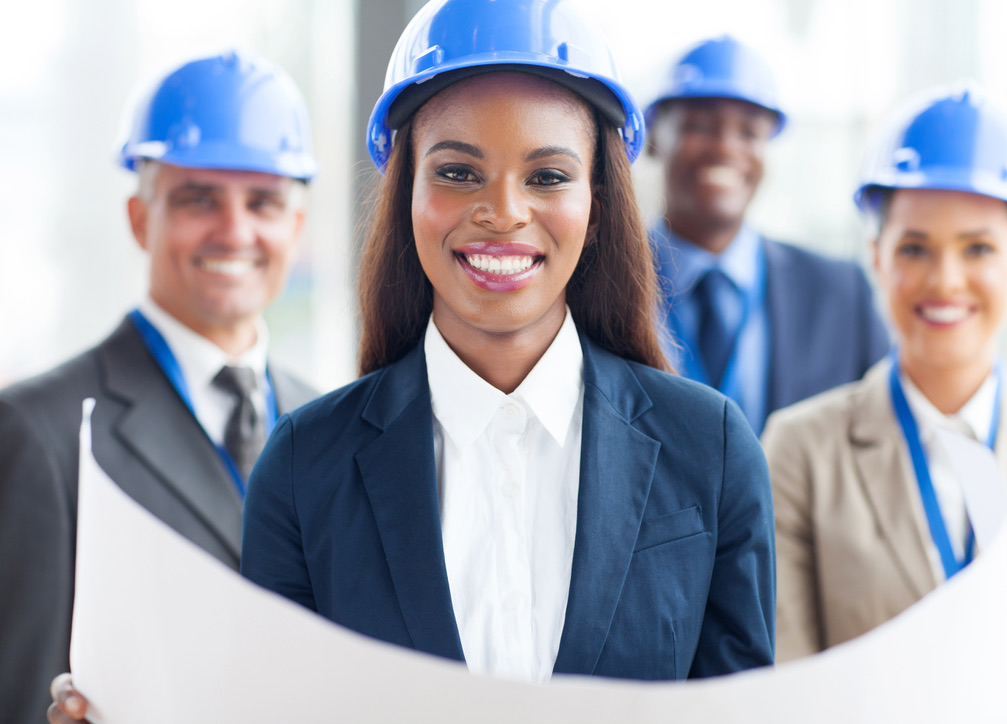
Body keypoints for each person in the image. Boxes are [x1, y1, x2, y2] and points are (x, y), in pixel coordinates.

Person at [47, 1, 775, 719]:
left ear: (597, 202)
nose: (503, 210)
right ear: (406, 193)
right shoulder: (307, 466)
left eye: (547, 176)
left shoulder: (707, 449)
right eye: (458, 172)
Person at [0, 50, 319, 724]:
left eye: (262, 202)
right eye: (198, 200)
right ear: (142, 219)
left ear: (294, 228)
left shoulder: (328, 422)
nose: (234, 231)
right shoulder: (37, 431)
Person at [763, 85, 1007, 724]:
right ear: (876, 258)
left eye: (978, 248)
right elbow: (789, 692)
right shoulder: (799, 450)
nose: (944, 280)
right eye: (914, 248)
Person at [646, 35, 889, 434]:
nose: (725, 147)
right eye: (701, 126)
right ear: (655, 138)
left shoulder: (841, 294)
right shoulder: (593, 282)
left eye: (748, 133)